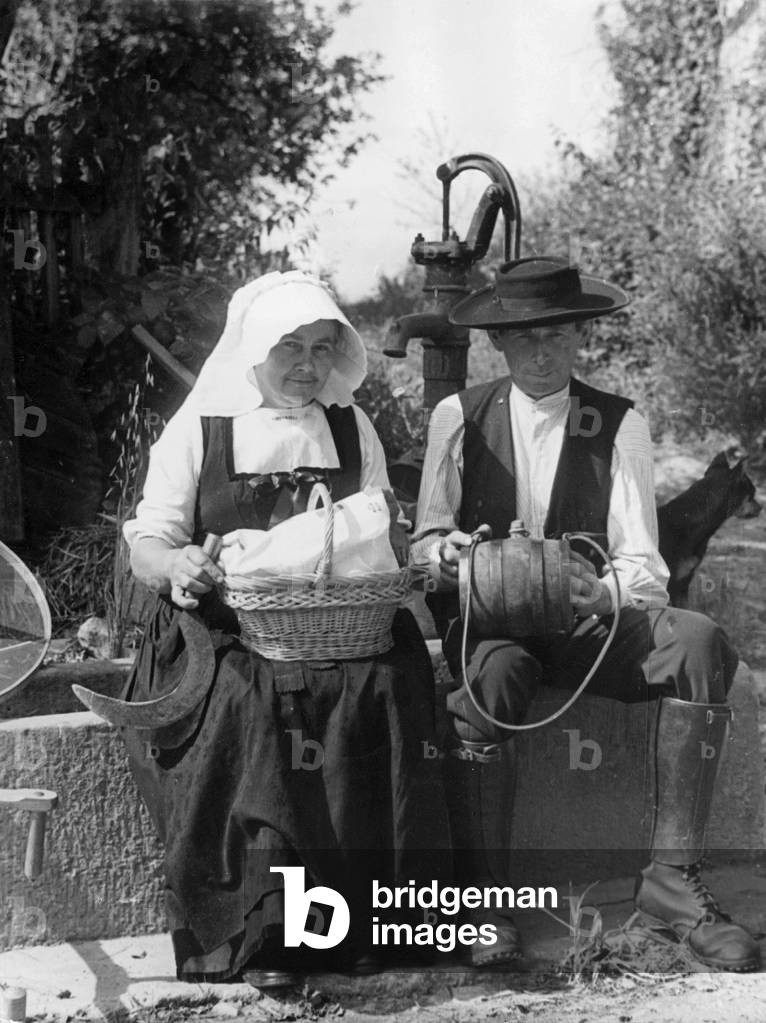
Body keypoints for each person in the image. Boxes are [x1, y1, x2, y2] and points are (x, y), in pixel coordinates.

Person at [411, 256, 760, 973]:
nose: (542, 353)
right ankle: (483, 899)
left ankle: (671, 880)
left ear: (581, 338)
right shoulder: (459, 417)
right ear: (498, 343)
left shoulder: (620, 423)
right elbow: (423, 544)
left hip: (589, 627)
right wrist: (445, 555)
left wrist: (600, 594)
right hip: (494, 625)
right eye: (526, 337)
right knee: (491, 678)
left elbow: (645, 569)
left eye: (559, 335)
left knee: (697, 642)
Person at [120, 270, 449, 987]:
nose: (307, 366)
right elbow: (146, 540)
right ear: (253, 351)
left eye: (322, 349)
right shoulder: (202, 427)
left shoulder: (347, 424)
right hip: (222, 625)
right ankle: (266, 930)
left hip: (338, 618)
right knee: (253, 698)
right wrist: (178, 564)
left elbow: (375, 529)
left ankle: (372, 924)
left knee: (392, 676)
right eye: (290, 348)